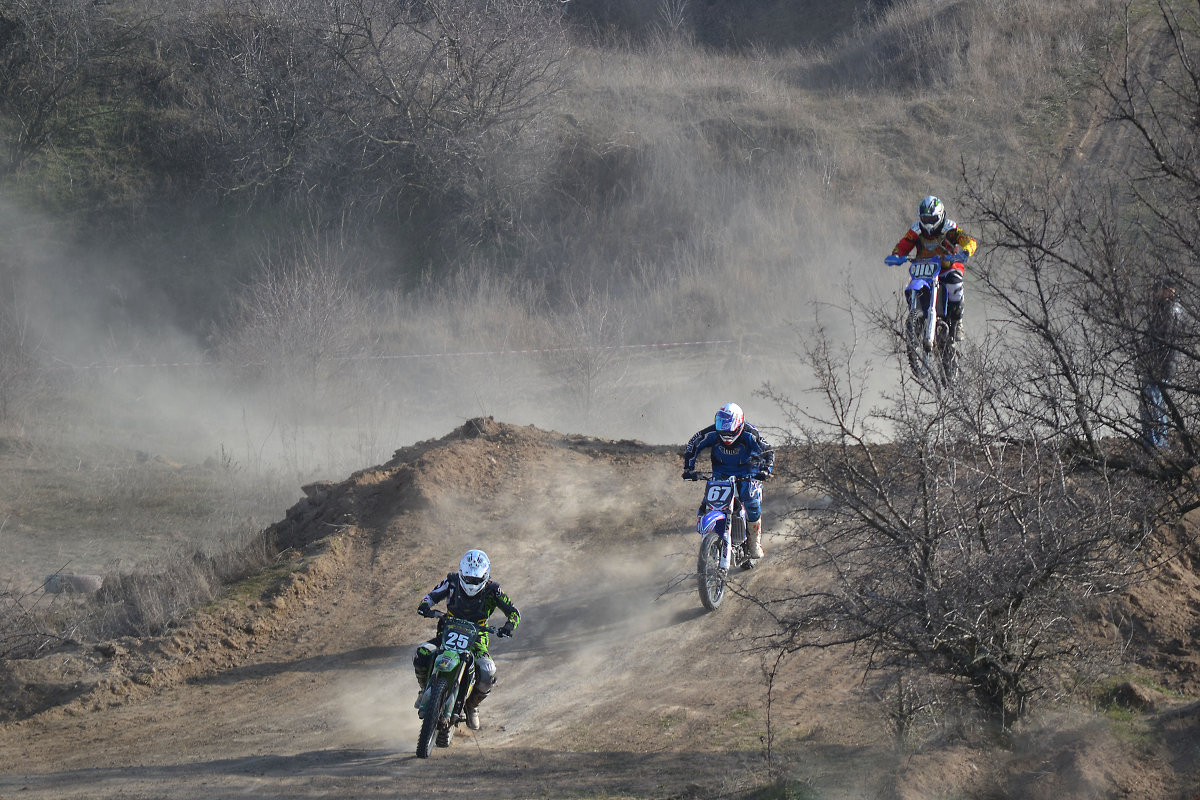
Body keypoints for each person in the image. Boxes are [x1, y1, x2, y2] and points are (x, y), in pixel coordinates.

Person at [414, 549, 520, 731]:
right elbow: (431, 596)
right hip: (447, 633)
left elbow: (514, 612)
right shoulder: (452, 581)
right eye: (469, 579)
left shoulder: (494, 591)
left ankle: (472, 706)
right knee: (422, 652)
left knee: (488, 671)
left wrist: (508, 627)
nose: (471, 584)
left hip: (477, 639)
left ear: (485, 576)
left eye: (476, 580)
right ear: (462, 573)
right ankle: (425, 689)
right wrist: (425, 606)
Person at [682, 402, 774, 558]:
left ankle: (754, 542)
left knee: (751, 501)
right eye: (722, 430)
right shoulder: (711, 433)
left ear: (739, 424)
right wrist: (688, 469)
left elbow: (768, 451)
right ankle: (710, 538)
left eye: (730, 431)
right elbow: (694, 444)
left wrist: (765, 470)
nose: (726, 435)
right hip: (721, 472)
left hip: (747, 472)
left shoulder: (750, 434)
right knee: (709, 503)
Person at [885, 195, 978, 342]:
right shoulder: (916, 230)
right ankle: (918, 318)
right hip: (923, 268)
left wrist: (966, 251)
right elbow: (904, 244)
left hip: (947, 266)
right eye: (925, 219)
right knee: (910, 286)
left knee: (955, 285)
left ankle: (957, 322)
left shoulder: (950, 229)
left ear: (940, 216)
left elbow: (968, 240)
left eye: (932, 220)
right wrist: (897, 255)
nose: (928, 224)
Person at [1138, 277, 1187, 449]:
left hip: (1161, 365)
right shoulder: (1166, 309)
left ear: (1168, 291)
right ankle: (1155, 443)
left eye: (1157, 290)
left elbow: (1163, 341)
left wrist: (1149, 359)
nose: (1154, 294)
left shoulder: (1171, 311)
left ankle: (1157, 444)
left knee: (1153, 402)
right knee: (1153, 402)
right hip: (1160, 364)